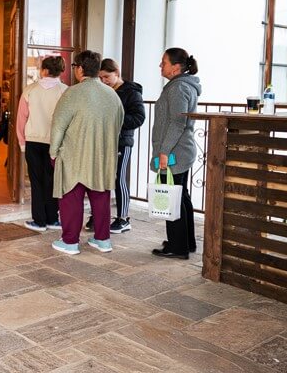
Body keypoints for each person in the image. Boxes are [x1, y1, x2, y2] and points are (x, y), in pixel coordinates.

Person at [49, 51, 123, 255]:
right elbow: (119, 123)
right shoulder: (112, 94)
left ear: (80, 68)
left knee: (71, 197)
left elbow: (58, 126)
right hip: (102, 154)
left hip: (75, 154)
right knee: (101, 197)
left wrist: (53, 151)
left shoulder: (72, 93)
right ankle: (103, 240)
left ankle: (70, 242)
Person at [151, 48, 201, 260]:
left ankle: (178, 247)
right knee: (181, 196)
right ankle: (185, 243)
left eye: (163, 62)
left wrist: (164, 151)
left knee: (172, 198)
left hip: (175, 152)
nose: (160, 66)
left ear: (176, 67)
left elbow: (177, 122)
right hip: (181, 149)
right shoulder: (181, 85)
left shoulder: (178, 87)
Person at [16, 56, 68, 232]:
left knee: (36, 181)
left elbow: (21, 119)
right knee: (53, 181)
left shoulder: (30, 90)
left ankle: (39, 220)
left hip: (33, 141)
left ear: (44, 70)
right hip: (55, 142)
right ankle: (53, 219)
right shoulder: (65, 91)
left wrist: (22, 142)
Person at [95, 58, 146, 234]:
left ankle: (123, 219)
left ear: (117, 73)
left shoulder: (131, 92)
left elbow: (139, 118)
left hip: (122, 142)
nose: (103, 81)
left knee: (119, 178)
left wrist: (115, 119)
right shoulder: (103, 91)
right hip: (103, 141)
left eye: (106, 77)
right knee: (100, 178)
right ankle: (98, 216)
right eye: (100, 77)